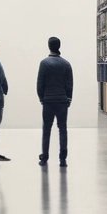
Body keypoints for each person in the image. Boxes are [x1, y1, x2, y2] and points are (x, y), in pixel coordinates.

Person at [37, 36, 72, 167]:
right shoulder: (66, 64)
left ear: (49, 46)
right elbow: (70, 84)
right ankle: (63, 159)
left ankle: (44, 157)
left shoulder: (44, 63)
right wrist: (69, 99)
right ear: (59, 46)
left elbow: (40, 84)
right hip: (62, 101)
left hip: (48, 101)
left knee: (46, 129)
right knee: (62, 129)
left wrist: (42, 98)